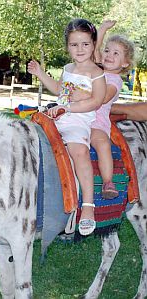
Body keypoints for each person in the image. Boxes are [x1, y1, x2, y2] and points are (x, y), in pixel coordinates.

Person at [28, 18, 106, 236]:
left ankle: (88, 206)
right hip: (58, 115)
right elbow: (59, 90)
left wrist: (70, 107)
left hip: (78, 119)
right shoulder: (68, 68)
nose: (80, 49)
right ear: (67, 46)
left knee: (79, 151)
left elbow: (96, 100)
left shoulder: (95, 72)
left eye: (85, 44)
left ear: (93, 44)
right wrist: (40, 73)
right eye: (74, 44)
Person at [87, 21, 135, 199]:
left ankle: (108, 181)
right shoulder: (97, 69)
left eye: (116, 53)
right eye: (107, 50)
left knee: (103, 144)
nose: (108, 54)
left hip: (96, 122)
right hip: (78, 115)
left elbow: (103, 98)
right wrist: (102, 30)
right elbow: (95, 49)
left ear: (124, 63)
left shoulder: (114, 80)